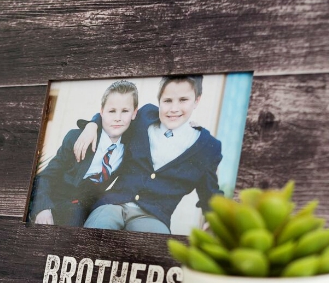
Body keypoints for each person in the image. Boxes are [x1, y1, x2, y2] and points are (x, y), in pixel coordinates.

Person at [73, 75, 222, 234]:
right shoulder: (144, 116)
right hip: (113, 204)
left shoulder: (207, 147)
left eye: (183, 100)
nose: (174, 108)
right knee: (94, 234)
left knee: (154, 250)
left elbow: (210, 193)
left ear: (196, 101)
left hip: (154, 217)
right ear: (159, 100)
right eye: (167, 101)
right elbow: (114, 119)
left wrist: (218, 221)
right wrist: (92, 125)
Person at [29, 80, 139, 227]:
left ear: (134, 113)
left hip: (87, 209)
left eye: (125, 111)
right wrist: (43, 208)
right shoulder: (77, 138)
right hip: (57, 203)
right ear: (101, 112)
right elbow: (45, 177)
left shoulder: (129, 147)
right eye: (112, 111)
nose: (118, 117)